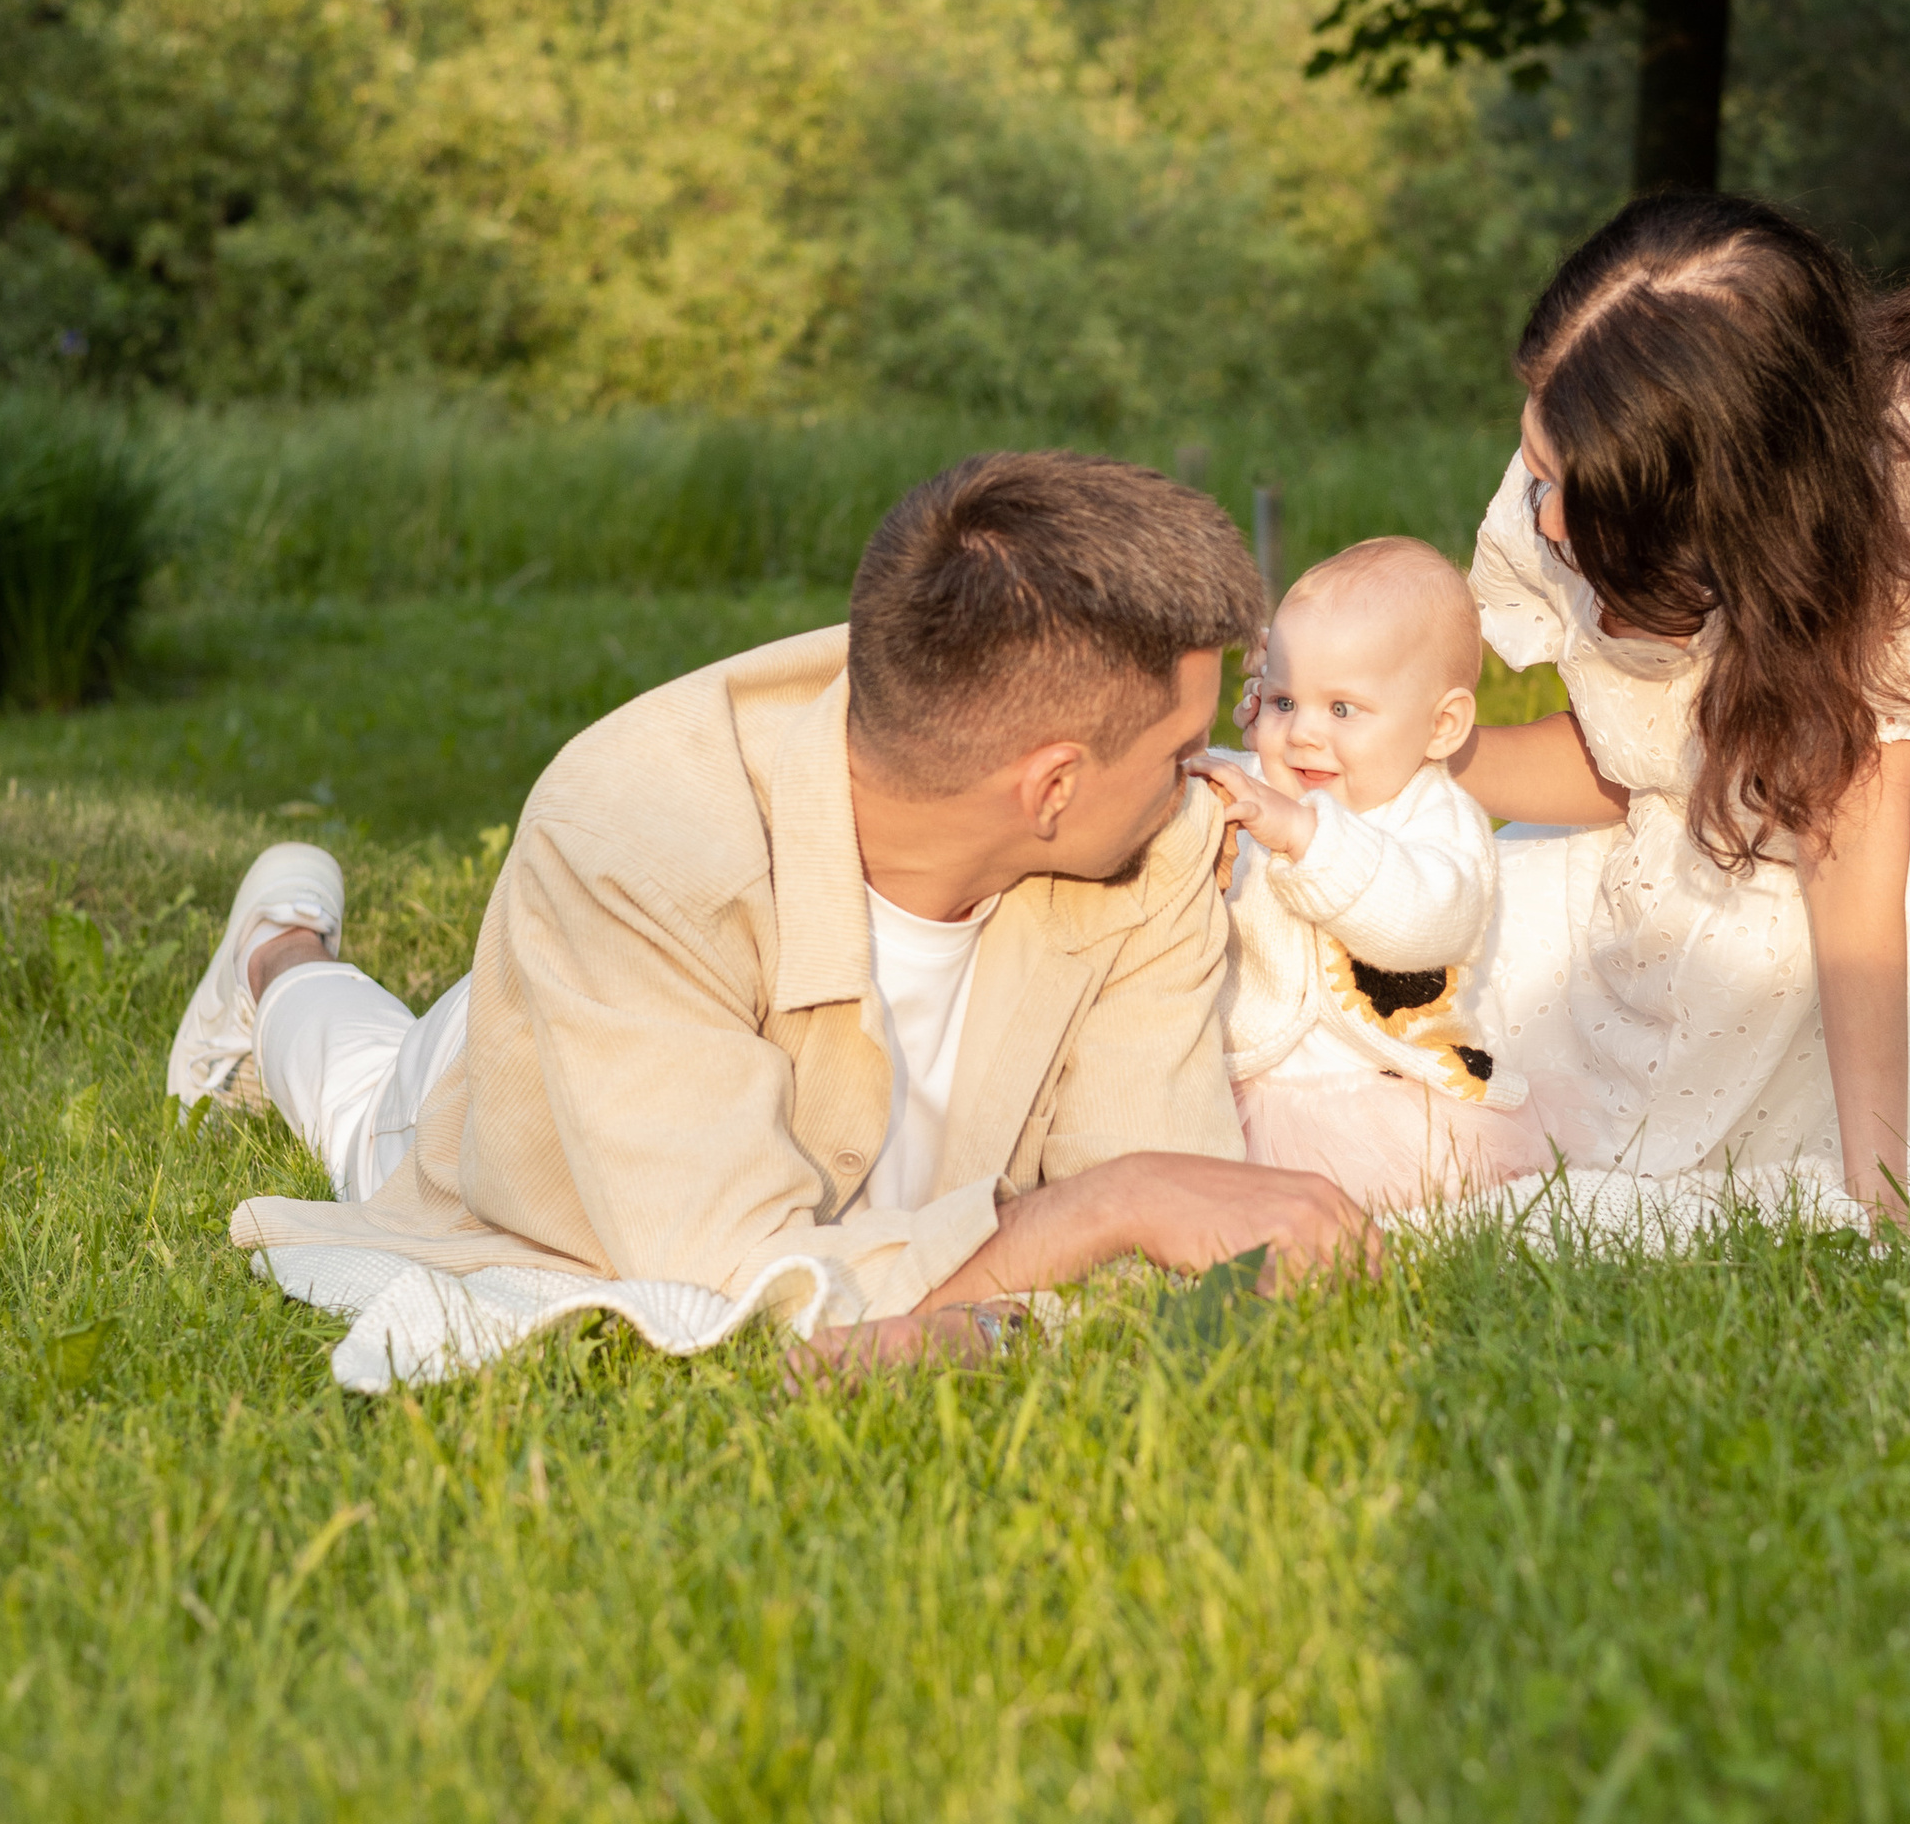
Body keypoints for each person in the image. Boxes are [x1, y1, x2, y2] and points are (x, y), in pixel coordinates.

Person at [172, 453, 1363, 1353]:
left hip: (646, 1020)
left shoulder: (1158, 837)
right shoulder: (630, 841)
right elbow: (729, 1276)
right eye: (1181, 752)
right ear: (1051, 786)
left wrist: (1127, 1217)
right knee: (364, 1094)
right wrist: (1110, 1210)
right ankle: (277, 958)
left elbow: (1173, 1221)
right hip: (528, 1085)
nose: (1210, 778)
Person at [1459, 192, 1910, 1229]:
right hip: (1652, 863)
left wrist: (1881, 1195)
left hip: (1833, 946)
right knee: (1367, 958)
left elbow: (1853, 829)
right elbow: (1636, 768)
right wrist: (1421, 755)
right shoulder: (1598, 443)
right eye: (1539, 470)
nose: (1542, 517)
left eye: (1561, 489)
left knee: (1608, 1151)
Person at [1203, 537, 1549, 1210]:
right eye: (1283, 702)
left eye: (1341, 709)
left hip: (1383, 1099)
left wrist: (1306, 837)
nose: (1302, 734)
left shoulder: (1437, 817)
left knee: (1393, 1210)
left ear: (1442, 725)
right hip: (1238, 1088)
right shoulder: (1251, 786)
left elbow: (1427, 922)